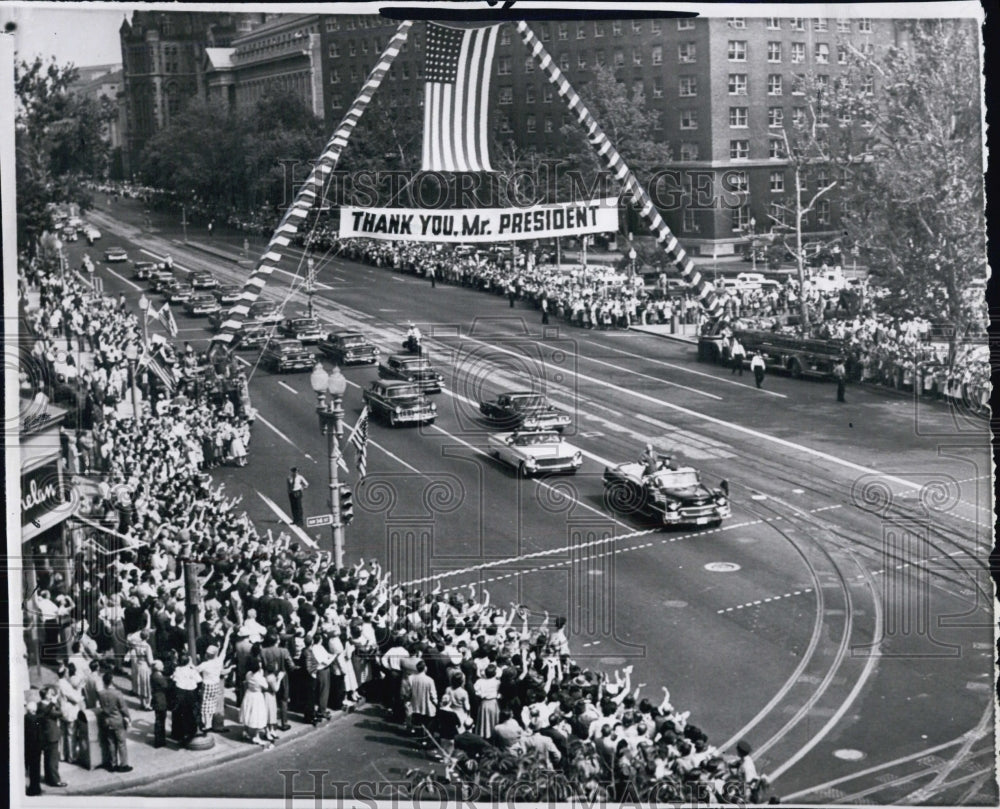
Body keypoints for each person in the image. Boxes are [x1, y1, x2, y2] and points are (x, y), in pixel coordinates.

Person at [97, 670, 132, 772]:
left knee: (111, 742)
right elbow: (123, 708)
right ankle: (124, 764)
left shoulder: (101, 693)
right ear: (111, 681)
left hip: (107, 720)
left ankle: (113, 764)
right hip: (117, 720)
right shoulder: (117, 694)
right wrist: (128, 717)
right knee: (121, 743)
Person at [38, 687, 66, 787]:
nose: (52, 694)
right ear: (45, 695)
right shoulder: (46, 707)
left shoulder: (41, 705)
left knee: (47, 758)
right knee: (53, 760)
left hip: (47, 735)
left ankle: (48, 778)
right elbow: (60, 713)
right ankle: (55, 780)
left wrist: (54, 702)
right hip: (51, 735)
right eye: (50, 693)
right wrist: (55, 703)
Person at [25, 700, 44, 795]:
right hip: (35, 749)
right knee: (35, 770)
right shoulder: (32, 718)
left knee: (32, 770)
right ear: (33, 710)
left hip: (29, 748)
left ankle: (35, 788)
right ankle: (35, 789)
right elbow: (43, 715)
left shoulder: (26, 717)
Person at [150, 660, 170, 748]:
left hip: (158, 700)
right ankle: (159, 741)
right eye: (161, 665)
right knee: (160, 721)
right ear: (157, 667)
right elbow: (165, 685)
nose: (163, 666)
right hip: (160, 700)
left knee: (160, 720)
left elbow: (164, 679)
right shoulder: (157, 677)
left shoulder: (155, 675)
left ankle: (161, 739)